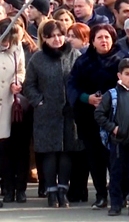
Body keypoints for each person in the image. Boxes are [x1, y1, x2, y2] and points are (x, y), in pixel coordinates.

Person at [23, 20, 82, 208]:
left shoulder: (74, 55)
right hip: (46, 112)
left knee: (66, 152)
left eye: (60, 35)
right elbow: (29, 84)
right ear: (45, 38)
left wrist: (76, 99)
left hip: (69, 112)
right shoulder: (37, 59)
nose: (57, 39)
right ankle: (50, 190)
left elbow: (81, 79)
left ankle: (63, 190)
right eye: (52, 36)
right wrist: (38, 101)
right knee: (49, 153)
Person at [67, 23, 125, 210]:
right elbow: (73, 85)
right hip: (89, 117)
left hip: (115, 117)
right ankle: (101, 195)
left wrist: (110, 99)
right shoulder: (83, 61)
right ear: (92, 41)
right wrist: (87, 98)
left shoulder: (121, 60)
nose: (104, 41)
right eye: (99, 37)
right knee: (95, 158)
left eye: (107, 37)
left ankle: (118, 195)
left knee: (115, 159)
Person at [94, 58, 129, 217]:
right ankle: (116, 203)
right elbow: (99, 114)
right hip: (118, 142)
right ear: (119, 75)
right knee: (117, 173)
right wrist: (113, 128)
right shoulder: (112, 95)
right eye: (127, 74)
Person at [0, 18, 28, 206]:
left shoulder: (17, 49)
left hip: (13, 105)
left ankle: (20, 188)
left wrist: (17, 81)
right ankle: (7, 187)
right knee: (2, 151)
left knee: (18, 148)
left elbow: (20, 70)